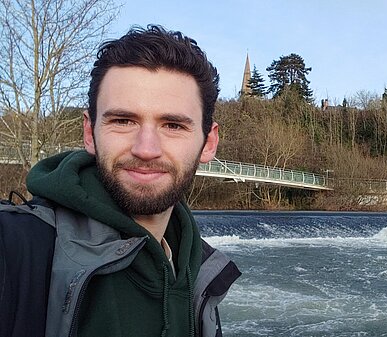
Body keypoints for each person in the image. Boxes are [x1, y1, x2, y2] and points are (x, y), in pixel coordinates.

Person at [0, 25, 240, 337]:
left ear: (208, 143)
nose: (146, 149)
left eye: (173, 125)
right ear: (90, 132)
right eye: (123, 121)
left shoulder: (198, 271)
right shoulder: (16, 250)